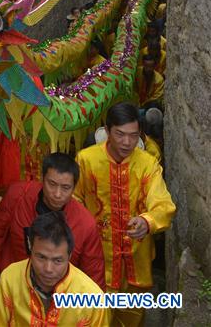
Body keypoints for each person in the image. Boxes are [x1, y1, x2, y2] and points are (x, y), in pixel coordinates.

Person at [75, 102, 176, 326]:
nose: (126, 142)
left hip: (136, 257)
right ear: (108, 131)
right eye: (120, 134)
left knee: (132, 317)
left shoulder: (148, 164)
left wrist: (146, 221)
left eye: (133, 135)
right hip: (97, 256)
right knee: (94, 318)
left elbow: (163, 204)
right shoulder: (86, 160)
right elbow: (73, 199)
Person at [0, 152, 105, 301]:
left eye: (65, 187)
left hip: (58, 298)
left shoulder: (85, 223)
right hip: (14, 287)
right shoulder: (18, 196)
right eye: (52, 184)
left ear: (74, 188)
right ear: (42, 179)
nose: (57, 194)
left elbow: (93, 271)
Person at [0, 211, 108, 326]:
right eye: (41, 257)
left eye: (58, 260)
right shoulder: (10, 277)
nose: (48, 269)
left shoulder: (91, 296)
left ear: (69, 256)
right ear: (30, 248)